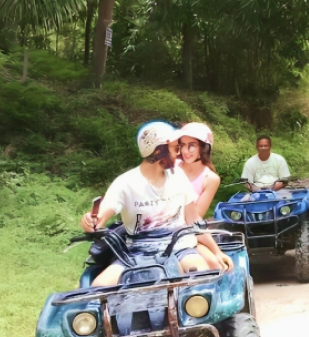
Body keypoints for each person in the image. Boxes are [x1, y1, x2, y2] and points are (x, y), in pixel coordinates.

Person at [80, 122, 212, 287]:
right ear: (159, 151)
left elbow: (193, 218)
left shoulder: (178, 176)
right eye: (175, 149)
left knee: (202, 277)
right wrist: (92, 221)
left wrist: (217, 251)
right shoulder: (126, 183)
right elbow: (102, 214)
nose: (178, 154)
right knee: (98, 288)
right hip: (135, 254)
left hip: (179, 249)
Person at [171, 122, 233, 271]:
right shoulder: (172, 167)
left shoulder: (210, 178)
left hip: (187, 231)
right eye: (182, 145)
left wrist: (216, 251)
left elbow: (194, 216)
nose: (186, 151)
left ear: (203, 148)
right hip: (161, 227)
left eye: (192, 145)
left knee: (214, 264)